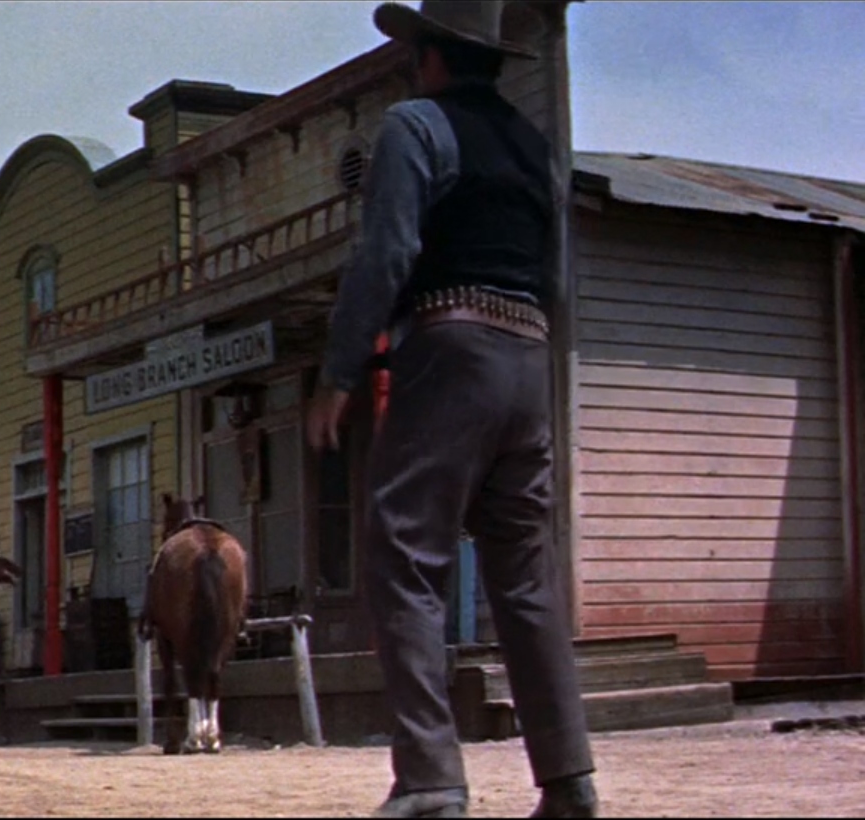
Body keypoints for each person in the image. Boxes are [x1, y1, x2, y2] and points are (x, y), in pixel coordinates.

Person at [303, 2, 597, 817]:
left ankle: (432, 778)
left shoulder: (414, 124)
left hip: (452, 344)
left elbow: (388, 250)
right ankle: (569, 779)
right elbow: (559, 274)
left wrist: (340, 372)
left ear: (430, 56)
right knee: (527, 576)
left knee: (404, 553)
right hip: (530, 357)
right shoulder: (539, 151)